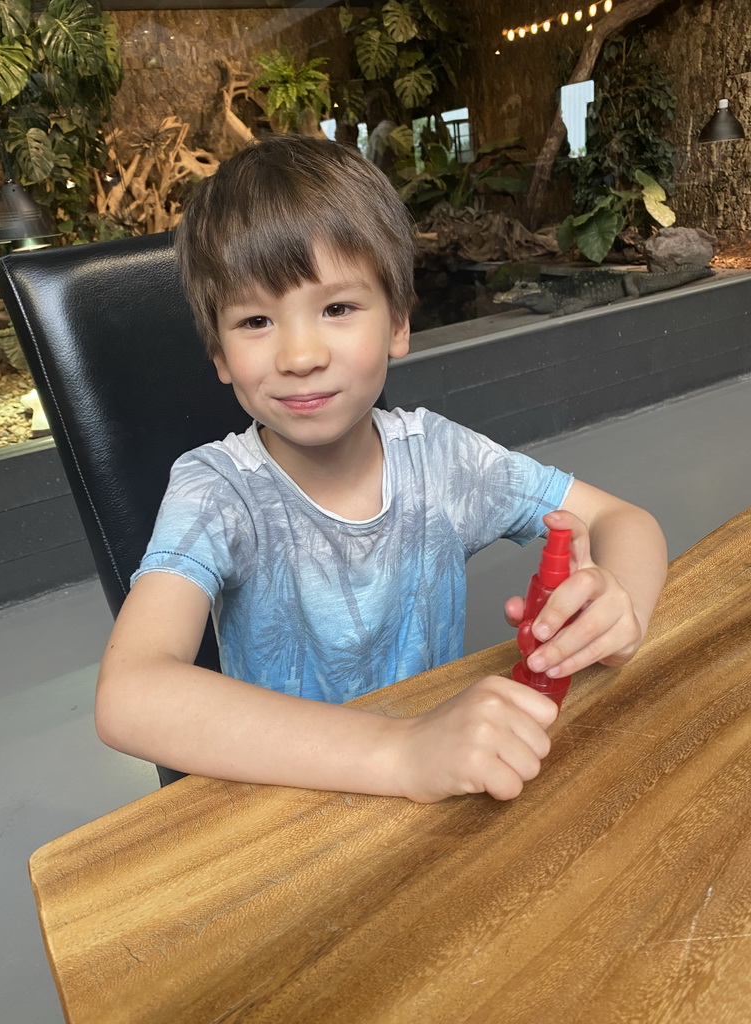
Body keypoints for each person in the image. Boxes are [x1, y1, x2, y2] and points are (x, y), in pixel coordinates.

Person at [96, 135, 667, 804]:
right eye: (255, 320)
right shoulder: (218, 492)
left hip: (439, 800)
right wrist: (399, 753)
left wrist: (616, 609)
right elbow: (130, 694)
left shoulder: (443, 460)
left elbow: (625, 520)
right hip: (292, 803)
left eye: (337, 308)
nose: (301, 354)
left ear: (398, 323)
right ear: (219, 355)